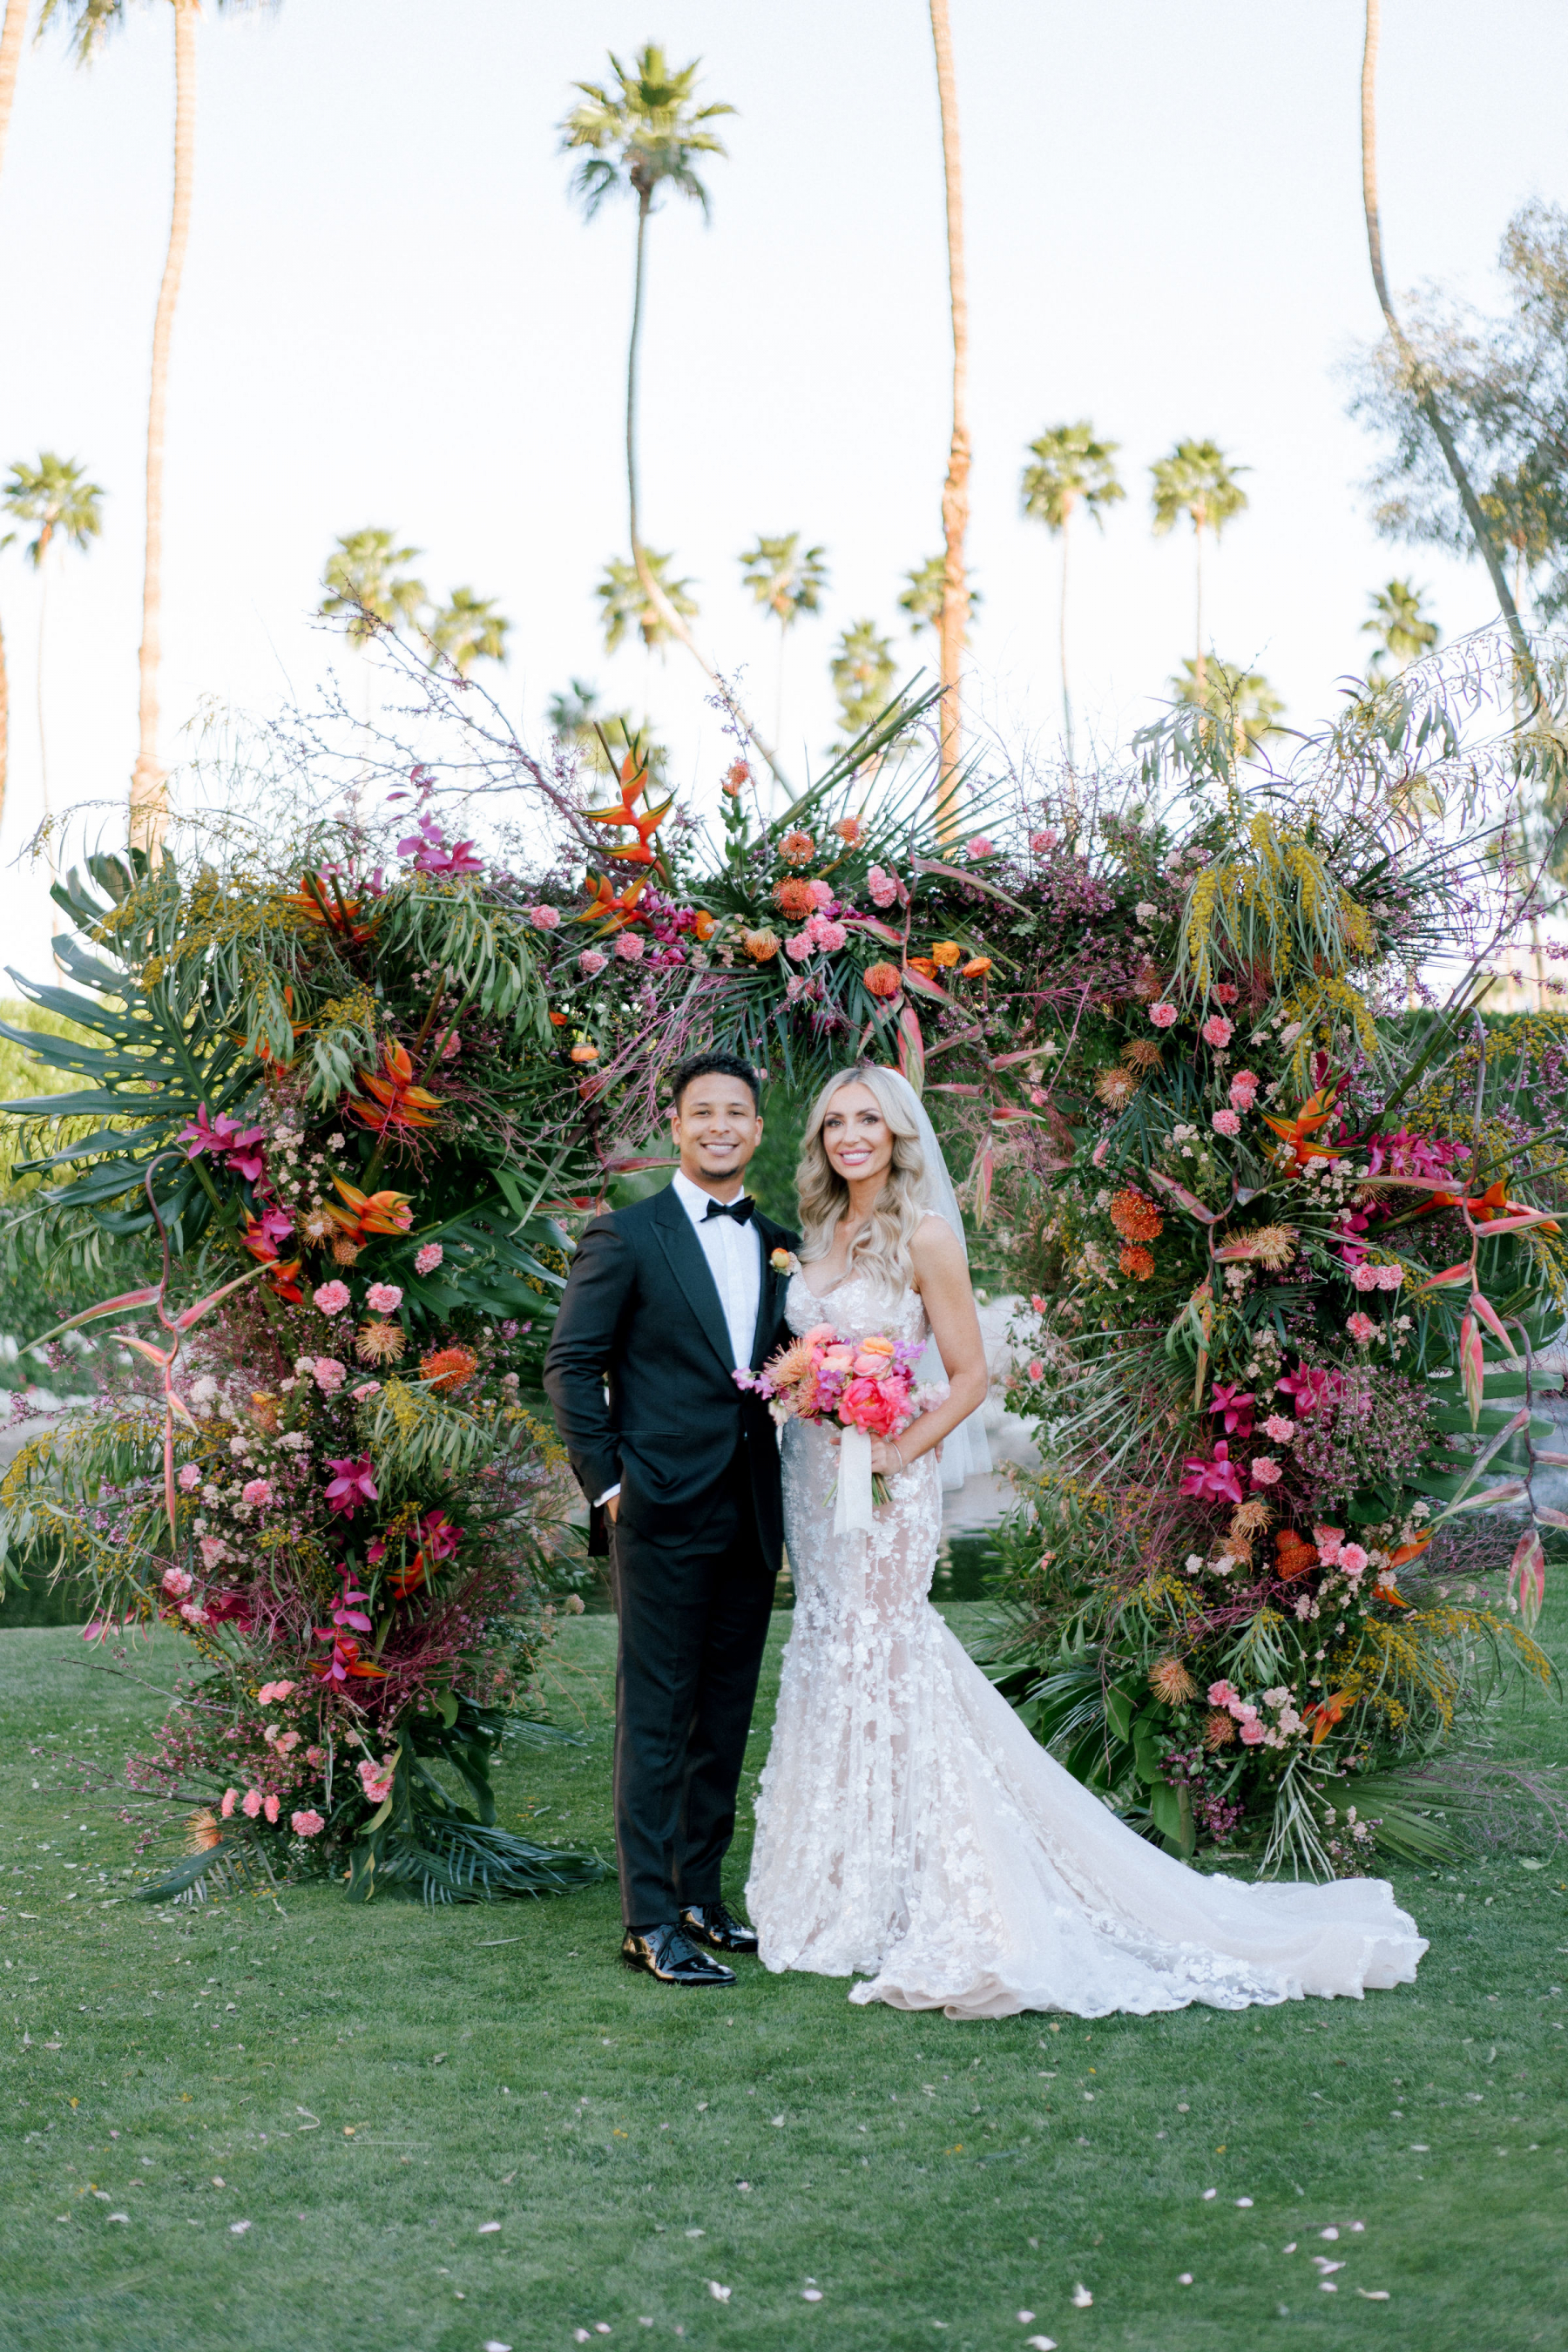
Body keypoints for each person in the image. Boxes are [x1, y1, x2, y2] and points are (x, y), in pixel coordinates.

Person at [746, 1062, 1428, 2020]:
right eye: (833, 1123)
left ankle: (926, 1878)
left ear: (900, 1135)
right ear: (818, 1141)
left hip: (888, 1484)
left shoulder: (925, 1235)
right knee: (829, 1645)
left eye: (869, 1120)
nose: (849, 1135)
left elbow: (973, 1375)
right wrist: (801, 1390)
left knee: (885, 1648)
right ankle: (843, 1873)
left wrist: (899, 1447)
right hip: (816, 1480)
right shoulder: (820, 1235)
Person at [544, 1052, 797, 1988]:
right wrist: (610, 1488)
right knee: (656, 1717)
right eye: (703, 1113)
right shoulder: (627, 1235)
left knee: (724, 1713)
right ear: (677, 1127)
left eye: (738, 1111)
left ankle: (701, 1895)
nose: (721, 1126)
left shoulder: (780, 1242)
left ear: (758, 1128)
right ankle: (647, 1920)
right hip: (657, 1511)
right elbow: (570, 1366)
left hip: (750, 1513)